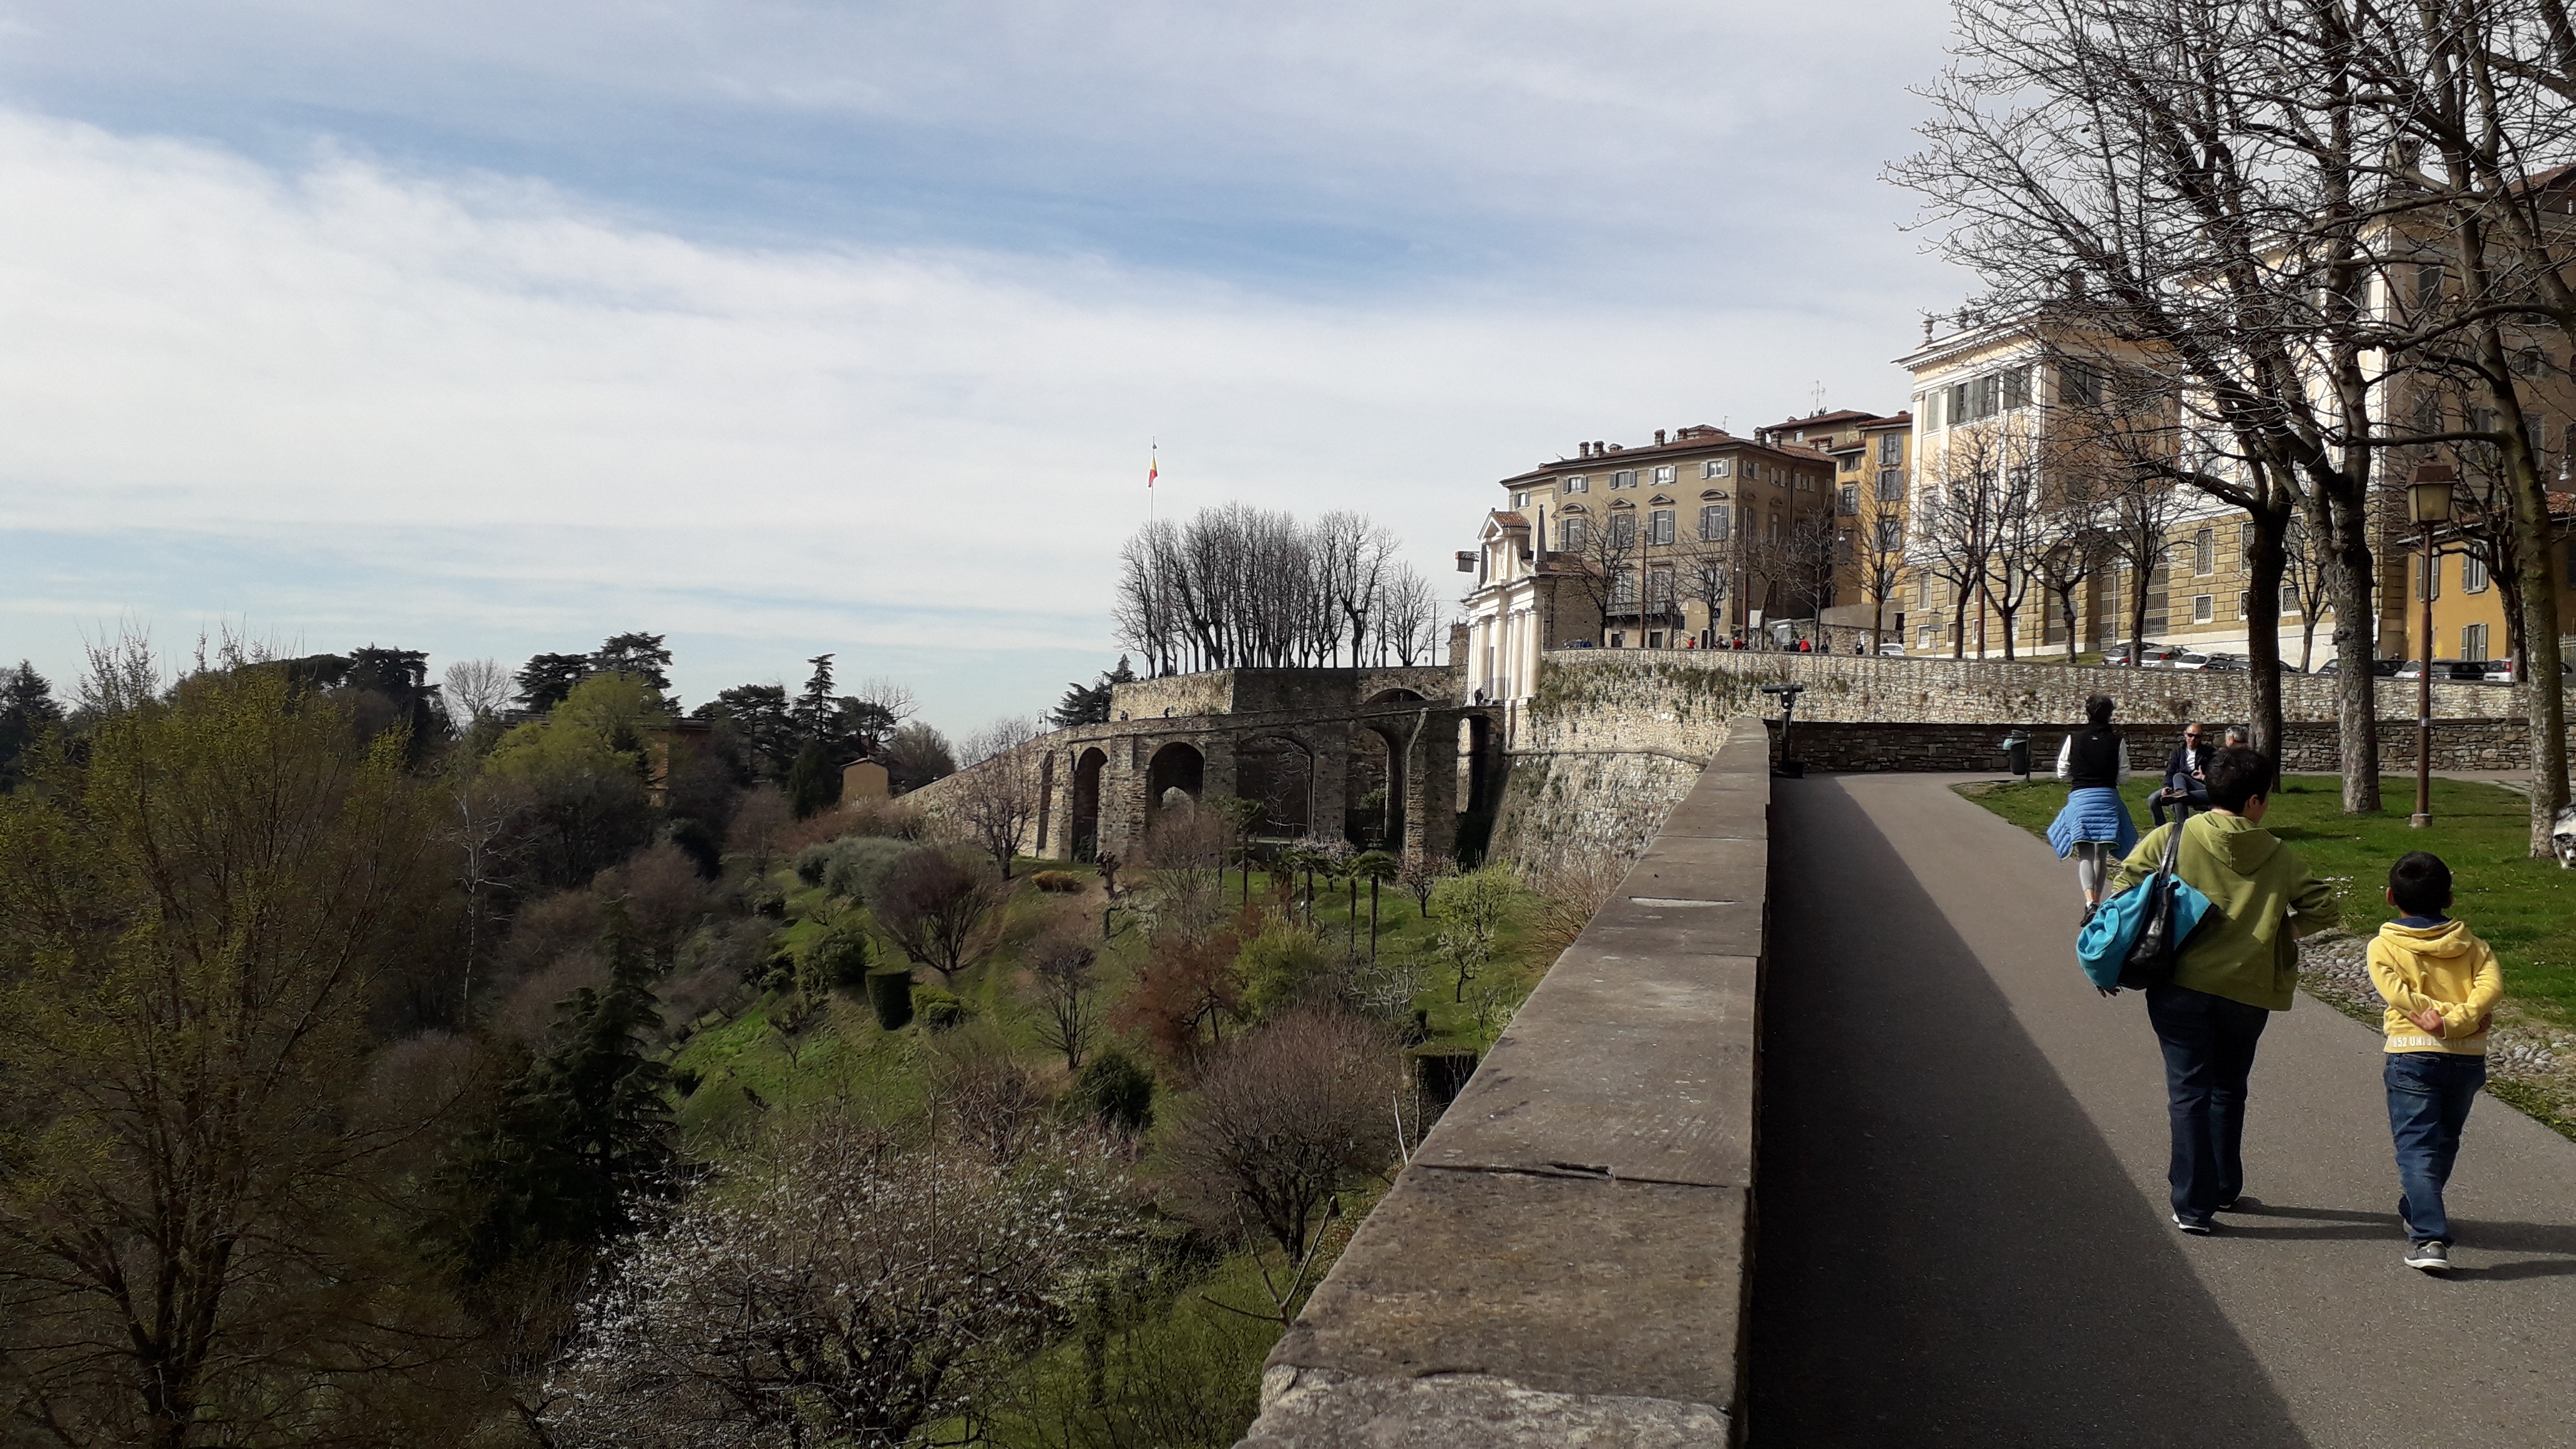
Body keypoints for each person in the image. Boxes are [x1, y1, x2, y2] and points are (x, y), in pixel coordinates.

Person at [2107, 747, 2336, 1235]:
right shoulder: (2279, 854)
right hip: (2249, 988)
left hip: (2180, 982)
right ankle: (2225, 1186)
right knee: (2230, 1088)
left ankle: (2193, 1203)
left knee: (2188, 1090)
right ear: (2255, 801)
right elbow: (2323, 910)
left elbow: (2124, 887)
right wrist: (2280, 929)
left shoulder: (2172, 837)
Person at [2366, 851, 2504, 1272]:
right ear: (2450, 899)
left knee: (2416, 1147)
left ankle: (2428, 1237)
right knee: (2444, 1140)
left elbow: (2399, 995)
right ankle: (2417, 1205)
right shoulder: (2475, 947)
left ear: (2391, 897)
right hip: (2466, 1056)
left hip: (2412, 1053)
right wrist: (2460, 1020)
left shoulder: (2383, 946)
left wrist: (2439, 1021)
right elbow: (2491, 987)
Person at [2047, 694, 2138, 919]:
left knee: (2085, 851)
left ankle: (2091, 903)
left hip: (2081, 799)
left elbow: (2061, 772)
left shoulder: (2074, 739)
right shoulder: (2118, 741)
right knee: (2102, 854)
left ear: (2087, 713)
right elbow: (2124, 776)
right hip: (2108, 799)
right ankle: (2097, 899)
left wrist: (2079, 779)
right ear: (2110, 714)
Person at [2152, 723, 2214, 826]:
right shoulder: (2178, 751)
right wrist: (2167, 787)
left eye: (2197, 736)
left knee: (2179, 782)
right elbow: (2170, 771)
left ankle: (2181, 826)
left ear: (2201, 738)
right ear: (2185, 734)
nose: (2193, 739)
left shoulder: (2209, 753)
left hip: (2197, 786)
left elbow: (2214, 775)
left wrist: (2203, 776)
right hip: (2176, 785)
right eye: (2190, 735)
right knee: (2153, 800)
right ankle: (2161, 828)